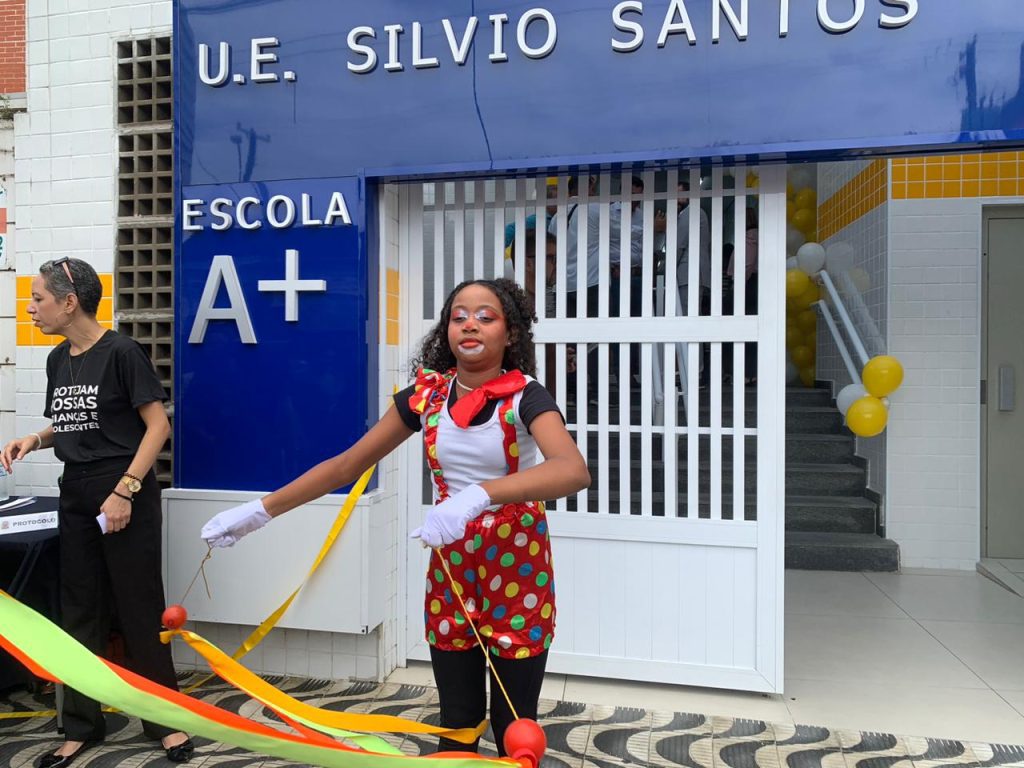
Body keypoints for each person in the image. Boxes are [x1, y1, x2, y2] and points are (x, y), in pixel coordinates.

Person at [200, 278, 590, 756]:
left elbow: (572, 470)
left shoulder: (525, 396)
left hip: (518, 563)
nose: (469, 324)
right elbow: (346, 465)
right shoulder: (425, 397)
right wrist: (259, 512)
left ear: (510, 334)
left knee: (514, 725)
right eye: (458, 315)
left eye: (486, 316)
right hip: (454, 565)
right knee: (457, 720)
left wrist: (479, 496)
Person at [0, 257, 193, 767]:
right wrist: (35, 439)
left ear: (70, 301)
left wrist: (126, 490)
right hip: (77, 492)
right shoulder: (57, 359)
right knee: (78, 613)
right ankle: (82, 724)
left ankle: (166, 722)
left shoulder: (123, 352)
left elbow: (157, 429)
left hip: (124, 489)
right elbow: (74, 423)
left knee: (139, 609)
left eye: (38, 298)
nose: (31, 307)